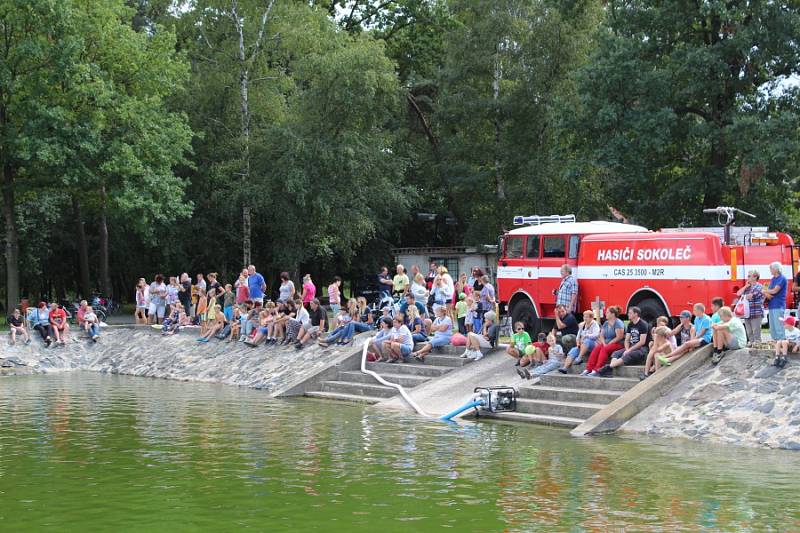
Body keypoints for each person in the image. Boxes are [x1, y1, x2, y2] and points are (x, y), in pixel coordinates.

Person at [600, 306, 649, 375]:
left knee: (627, 355)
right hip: (631, 346)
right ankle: (609, 369)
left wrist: (629, 350)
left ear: (636, 314)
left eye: (630, 313)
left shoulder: (643, 324)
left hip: (641, 348)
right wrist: (627, 349)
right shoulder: (630, 324)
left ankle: (609, 367)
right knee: (616, 353)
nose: (628, 314)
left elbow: (642, 342)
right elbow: (627, 339)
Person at [584, 306, 625, 376]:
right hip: (607, 343)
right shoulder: (606, 323)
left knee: (605, 349)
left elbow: (619, 337)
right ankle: (588, 369)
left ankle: (597, 370)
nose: (606, 314)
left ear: (613, 314)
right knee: (597, 348)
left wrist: (608, 344)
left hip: (618, 343)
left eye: (607, 312)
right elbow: (601, 335)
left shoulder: (618, 323)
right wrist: (603, 343)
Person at [559, 310, 600, 374]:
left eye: (586, 317)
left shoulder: (595, 324)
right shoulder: (582, 324)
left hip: (593, 345)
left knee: (587, 341)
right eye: (584, 317)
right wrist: (578, 342)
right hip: (583, 345)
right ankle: (565, 367)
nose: (585, 318)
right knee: (574, 349)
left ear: (591, 318)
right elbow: (578, 336)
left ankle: (579, 358)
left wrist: (586, 336)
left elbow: (596, 335)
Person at [736, 270, 764, 344]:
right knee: (749, 332)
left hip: (756, 313)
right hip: (747, 313)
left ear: (755, 277)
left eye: (749, 276)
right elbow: (738, 294)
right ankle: (752, 346)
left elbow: (750, 296)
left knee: (756, 332)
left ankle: (757, 347)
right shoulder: (747, 287)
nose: (747, 277)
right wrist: (745, 286)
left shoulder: (759, 286)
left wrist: (744, 296)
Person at [764, 261, 787, 341]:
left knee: (778, 326)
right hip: (772, 305)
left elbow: (774, 291)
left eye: (771, 269)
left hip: (778, 305)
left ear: (776, 269)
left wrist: (764, 291)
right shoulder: (773, 279)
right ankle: (775, 343)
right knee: (773, 326)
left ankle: (782, 343)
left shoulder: (782, 278)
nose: (770, 270)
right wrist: (766, 291)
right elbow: (769, 291)